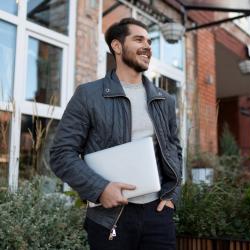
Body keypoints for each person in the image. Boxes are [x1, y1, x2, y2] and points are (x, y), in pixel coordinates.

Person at [50, 17, 182, 250]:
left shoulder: (165, 100)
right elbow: (61, 154)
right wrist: (99, 189)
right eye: (138, 39)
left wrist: (172, 195)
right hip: (109, 218)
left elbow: (174, 149)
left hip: (157, 216)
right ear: (117, 46)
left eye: (149, 41)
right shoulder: (89, 95)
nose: (148, 46)